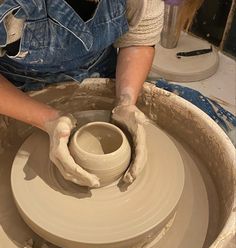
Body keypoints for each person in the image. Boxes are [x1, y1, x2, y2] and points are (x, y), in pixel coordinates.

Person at [0, 0, 202, 188]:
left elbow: (138, 38)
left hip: (99, 69)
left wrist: (126, 101)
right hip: (16, 88)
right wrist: (46, 119)